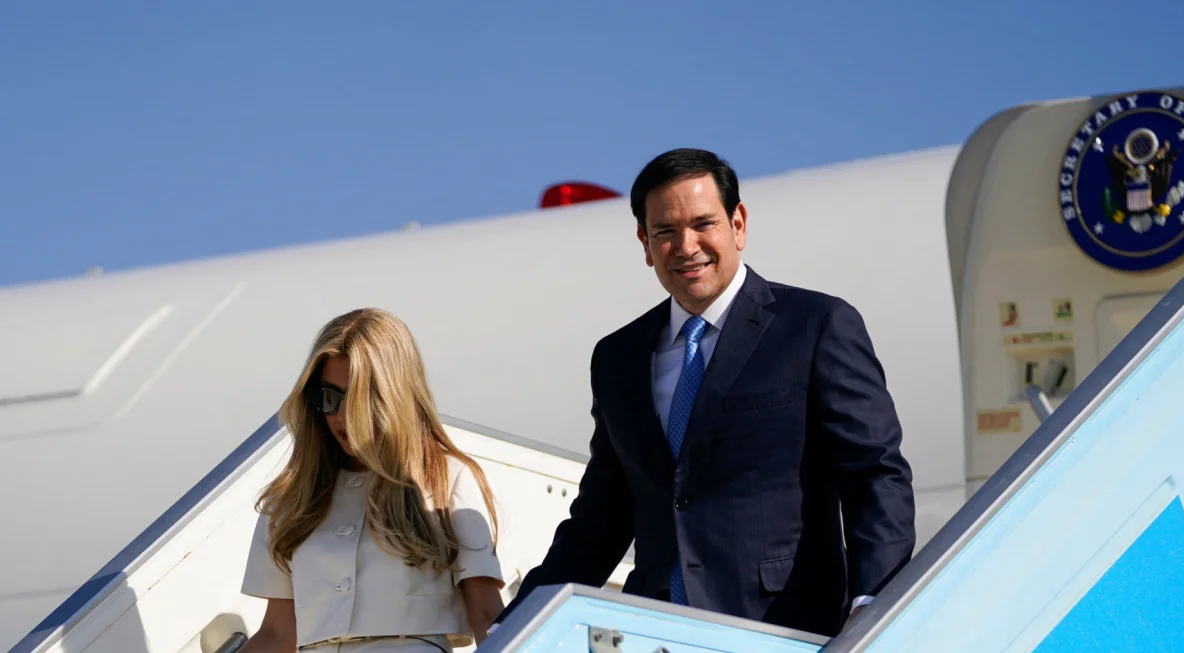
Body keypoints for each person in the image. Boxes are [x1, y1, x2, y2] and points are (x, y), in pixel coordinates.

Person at [492, 148, 915, 638]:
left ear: (738, 224)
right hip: (654, 630)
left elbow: (874, 475)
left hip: (783, 629)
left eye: (703, 224)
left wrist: (873, 603)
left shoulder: (814, 326)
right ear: (645, 243)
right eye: (665, 231)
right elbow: (600, 520)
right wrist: (514, 626)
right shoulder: (618, 357)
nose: (686, 246)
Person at [237, 308, 506, 652]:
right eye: (329, 397)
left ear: (394, 396)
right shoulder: (291, 499)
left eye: (359, 399)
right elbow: (277, 634)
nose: (341, 416)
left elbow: (487, 615)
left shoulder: (448, 478)